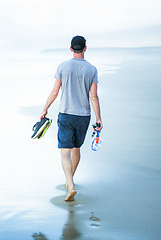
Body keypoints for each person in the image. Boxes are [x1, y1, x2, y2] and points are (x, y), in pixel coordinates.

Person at [41, 36, 103, 201]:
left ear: (70, 49)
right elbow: (94, 97)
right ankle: (70, 181)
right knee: (76, 149)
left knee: (65, 152)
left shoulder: (63, 66)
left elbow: (55, 92)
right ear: (85, 48)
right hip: (84, 116)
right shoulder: (92, 69)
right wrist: (99, 119)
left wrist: (45, 108)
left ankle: (70, 184)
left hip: (66, 114)